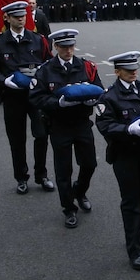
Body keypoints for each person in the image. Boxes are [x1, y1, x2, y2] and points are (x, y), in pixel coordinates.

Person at [31, 29, 103, 228]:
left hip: (81, 123)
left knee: (89, 164)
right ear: (56, 47)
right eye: (63, 47)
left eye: (71, 46)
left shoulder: (86, 67)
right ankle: (68, 208)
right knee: (63, 170)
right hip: (59, 125)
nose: (68, 50)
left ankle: (79, 191)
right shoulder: (45, 70)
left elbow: (99, 89)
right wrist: (58, 104)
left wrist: (91, 101)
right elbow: (36, 97)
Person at [0, 1, 55, 194]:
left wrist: (42, 75)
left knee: (41, 135)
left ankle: (42, 175)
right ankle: (21, 177)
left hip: (36, 96)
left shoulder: (38, 40)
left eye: (23, 15)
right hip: (13, 96)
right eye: (16, 16)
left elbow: (49, 63)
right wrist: (5, 81)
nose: (21, 19)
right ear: (7, 18)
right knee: (17, 139)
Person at [95, 51, 140, 271]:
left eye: (135, 69)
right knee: (131, 202)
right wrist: (127, 129)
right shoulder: (109, 96)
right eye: (128, 70)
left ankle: (137, 233)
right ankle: (133, 249)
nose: (133, 73)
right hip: (124, 154)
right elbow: (104, 125)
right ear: (117, 71)